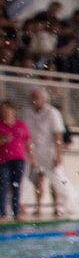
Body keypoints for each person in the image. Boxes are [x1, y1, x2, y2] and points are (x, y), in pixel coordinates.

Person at [23, 87, 66, 219]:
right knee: (38, 180)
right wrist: (30, 152)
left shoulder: (52, 113)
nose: (33, 100)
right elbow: (27, 135)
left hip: (50, 151)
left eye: (35, 97)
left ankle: (56, 206)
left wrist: (58, 155)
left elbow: (58, 135)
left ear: (43, 99)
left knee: (54, 180)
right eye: (32, 97)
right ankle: (38, 206)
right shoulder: (28, 112)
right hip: (36, 151)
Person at [0, 101, 27, 221]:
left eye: (7, 110)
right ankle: (3, 213)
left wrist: (33, 158)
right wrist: (2, 140)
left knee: (16, 186)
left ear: (13, 111)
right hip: (3, 160)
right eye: (3, 110)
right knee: (3, 186)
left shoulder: (21, 125)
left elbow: (27, 142)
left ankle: (16, 213)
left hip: (19, 159)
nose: (5, 112)